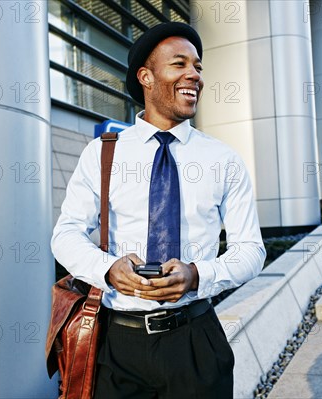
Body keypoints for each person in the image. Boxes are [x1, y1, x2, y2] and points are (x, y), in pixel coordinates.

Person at [51, 22, 265, 399]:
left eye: (198, 67)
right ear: (146, 77)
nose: (194, 75)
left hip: (196, 343)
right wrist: (108, 270)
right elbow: (66, 234)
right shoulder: (102, 152)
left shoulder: (223, 159)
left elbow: (251, 249)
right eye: (179, 64)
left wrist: (199, 274)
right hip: (115, 348)